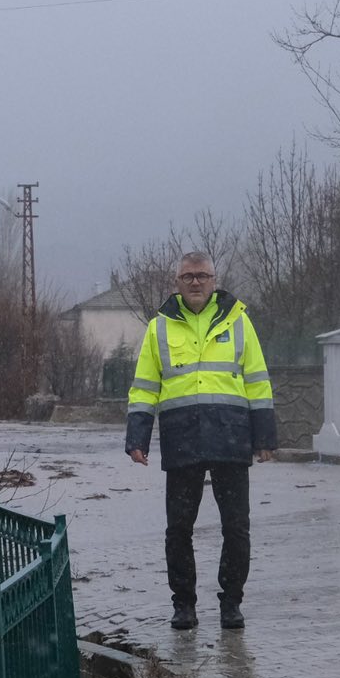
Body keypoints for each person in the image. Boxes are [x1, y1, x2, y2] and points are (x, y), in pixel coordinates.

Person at [125, 252, 277, 631]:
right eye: (188, 276)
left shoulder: (239, 321)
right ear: (177, 282)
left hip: (230, 438)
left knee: (236, 528)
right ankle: (184, 605)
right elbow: (144, 387)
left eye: (202, 276)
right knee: (178, 530)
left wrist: (264, 436)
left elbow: (258, 381)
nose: (196, 282)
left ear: (214, 280)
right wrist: (137, 437)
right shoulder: (159, 328)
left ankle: (231, 603)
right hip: (182, 439)